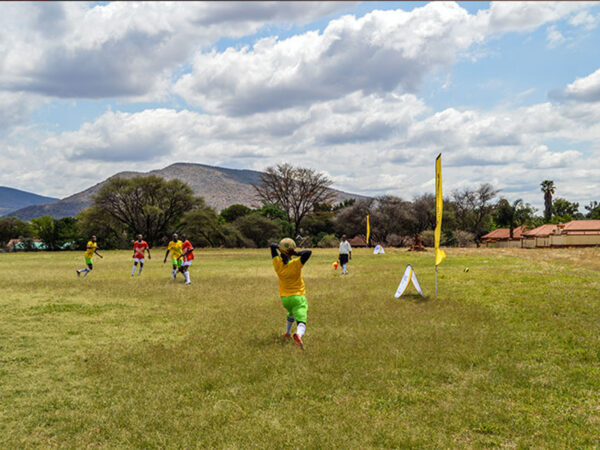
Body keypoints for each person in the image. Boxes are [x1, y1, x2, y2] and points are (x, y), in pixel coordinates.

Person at [270, 238, 312, 350]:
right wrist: (296, 253)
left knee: (291, 313)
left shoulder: (278, 266)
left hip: (285, 300)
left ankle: (287, 333)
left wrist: (280, 248)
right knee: (301, 321)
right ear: (291, 253)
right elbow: (308, 253)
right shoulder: (295, 264)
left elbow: (272, 246)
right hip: (298, 297)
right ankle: (298, 334)